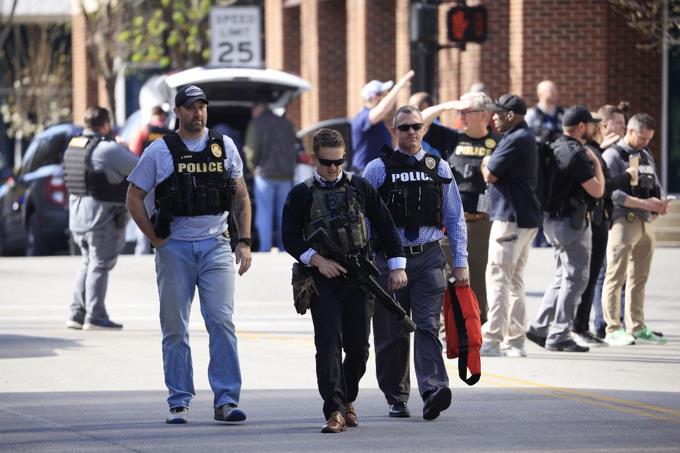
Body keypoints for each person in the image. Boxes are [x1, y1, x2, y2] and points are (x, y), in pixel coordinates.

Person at [126, 85, 253, 424]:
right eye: (191, 107)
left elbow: (240, 196)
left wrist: (245, 241)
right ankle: (179, 401)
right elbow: (134, 196)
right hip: (175, 248)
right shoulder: (159, 150)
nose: (198, 113)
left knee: (221, 322)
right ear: (178, 111)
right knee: (175, 327)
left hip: (216, 246)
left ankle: (226, 400)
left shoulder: (223, 146)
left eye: (202, 107)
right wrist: (154, 239)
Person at [281, 128, 407, 433]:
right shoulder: (302, 193)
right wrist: (318, 260)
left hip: (358, 277)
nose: (334, 168)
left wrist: (397, 265)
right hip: (322, 279)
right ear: (315, 158)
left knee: (359, 349)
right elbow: (289, 238)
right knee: (327, 346)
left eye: (339, 162)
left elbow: (386, 225)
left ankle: (347, 398)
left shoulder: (360, 187)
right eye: (327, 162)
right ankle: (335, 410)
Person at [363, 105, 468, 421]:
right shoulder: (377, 169)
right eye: (404, 127)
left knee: (427, 326)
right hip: (387, 262)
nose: (411, 132)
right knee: (391, 333)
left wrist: (460, 262)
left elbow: (454, 217)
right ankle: (396, 396)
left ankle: (434, 389)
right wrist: (366, 260)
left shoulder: (440, 167)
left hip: (429, 257)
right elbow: (365, 219)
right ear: (394, 130)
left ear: (424, 129)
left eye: (416, 127)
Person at [415, 92, 500, 325]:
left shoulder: (497, 141)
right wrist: (448, 105)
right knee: (446, 275)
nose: (460, 116)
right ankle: (447, 325)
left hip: (483, 220)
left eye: (466, 111)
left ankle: (477, 324)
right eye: (459, 112)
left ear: (483, 115)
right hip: (452, 219)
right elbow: (419, 121)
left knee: (479, 277)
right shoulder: (453, 138)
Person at [526, 105, 605, 353]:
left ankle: (539, 327)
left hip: (552, 221)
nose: (593, 128)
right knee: (575, 278)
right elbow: (597, 190)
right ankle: (559, 334)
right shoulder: (578, 154)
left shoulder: (555, 145)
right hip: (571, 223)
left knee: (563, 276)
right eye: (591, 124)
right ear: (581, 127)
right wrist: (597, 164)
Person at [63, 106, 139, 330]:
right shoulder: (108, 149)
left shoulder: (74, 145)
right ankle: (95, 315)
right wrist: (122, 147)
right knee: (100, 264)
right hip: (101, 219)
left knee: (88, 263)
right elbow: (139, 166)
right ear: (105, 124)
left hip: (77, 218)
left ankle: (77, 313)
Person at [479, 94, 541, 357]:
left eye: (497, 113)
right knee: (514, 280)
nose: (493, 117)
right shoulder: (524, 137)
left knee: (498, 278)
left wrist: (484, 161)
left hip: (509, 219)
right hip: (524, 219)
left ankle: (493, 338)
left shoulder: (516, 139)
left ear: (511, 116)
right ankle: (515, 340)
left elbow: (490, 172)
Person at [601, 113, 670, 346]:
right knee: (615, 276)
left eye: (649, 139)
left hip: (646, 222)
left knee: (639, 277)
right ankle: (613, 328)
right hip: (624, 220)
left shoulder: (645, 154)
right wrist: (644, 204)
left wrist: (659, 202)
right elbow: (612, 193)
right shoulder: (613, 155)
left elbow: (655, 183)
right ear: (629, 131)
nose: (645, 143)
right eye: (642, 138)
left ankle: (637, 325)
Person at [576, 105, 631, 344]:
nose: (621, 128)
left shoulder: (598, 150)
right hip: (592, 219)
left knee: (595, 274)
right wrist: (628, 176)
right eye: (617, 123)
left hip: (601, 218)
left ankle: (586, 325)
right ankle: (581, 326)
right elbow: (604, 187)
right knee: (588, 276)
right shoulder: (592, 151)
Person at [244, 102, 298, 251]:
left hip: (265, 174)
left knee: (264, 214)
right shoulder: (287, 123)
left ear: (257, 108)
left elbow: (251, 149)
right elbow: (294, 147)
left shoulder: (257, 123)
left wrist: (251, 167)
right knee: (284, 214)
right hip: (286, 175)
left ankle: (265, 248)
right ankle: (284, 247)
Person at [350, 70, 415, 173]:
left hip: (377, 171)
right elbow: (382, 109)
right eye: (385, 94)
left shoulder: (376, 120)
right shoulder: (362, 117)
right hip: (364, 173)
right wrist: (398, 86)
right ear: (375, 97)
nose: (387, 96)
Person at [526, 80, 565, 247]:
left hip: (558, 165)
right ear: (540, 93)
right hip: (538, 166)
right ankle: (537, 237)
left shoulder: (563, 114)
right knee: (537, 199)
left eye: (555, 90)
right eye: (551, 90)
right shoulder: (532, 115)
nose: (555, 93)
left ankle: (552, 237)